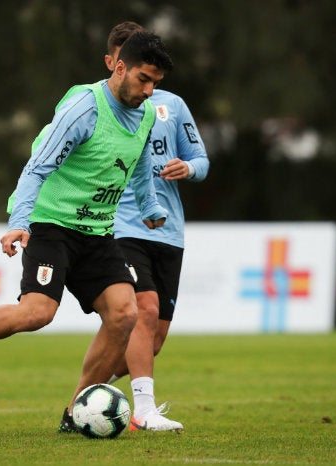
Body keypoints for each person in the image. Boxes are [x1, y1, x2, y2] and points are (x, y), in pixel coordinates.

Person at [0, 31, 174, 425]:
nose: (149, 91)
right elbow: (37, 167)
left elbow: (139, 164)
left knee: (123, 314)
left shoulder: (147, 114)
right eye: (143, 79)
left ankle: (74, 412)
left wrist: (150, 206)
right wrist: (19, 223)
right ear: (119, 67)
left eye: (156, 83)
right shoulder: (84, 109)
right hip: (51, 224)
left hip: (97, 233)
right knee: (36, 312)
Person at [108, 22, 209, 432]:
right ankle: (144, 412)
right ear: (115, 62)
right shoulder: (97, 105)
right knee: (143, 310)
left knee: (154, 337)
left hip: (168, 230)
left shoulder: (171, 105)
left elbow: (202, 160)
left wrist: (188, 168)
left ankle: (88, 394)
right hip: (121, 225)